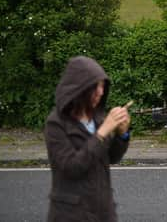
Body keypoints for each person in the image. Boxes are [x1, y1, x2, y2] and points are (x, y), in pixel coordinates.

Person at [44, 56, 131, 222]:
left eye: (102, 86)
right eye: (95, 87)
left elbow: (113, 157)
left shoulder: (97, 117)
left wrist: (122, 133)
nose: (101, 92)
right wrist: (103, 131)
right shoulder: (56, 123)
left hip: (103, 211)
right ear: (79, 90)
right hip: (71, 214)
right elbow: (72, 167)